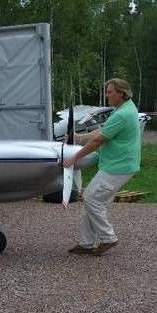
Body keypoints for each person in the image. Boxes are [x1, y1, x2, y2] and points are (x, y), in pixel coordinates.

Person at [63, 78, 141, 255]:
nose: (107, 95)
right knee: (94, 202)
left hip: (118, 167)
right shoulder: (125, 109)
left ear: (121, 93)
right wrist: (78, 137)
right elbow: (103, 131)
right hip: (121, 164)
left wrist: (74, 158)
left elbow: (98, 140)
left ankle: (108, 238)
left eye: (110, 92)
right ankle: (86, 243)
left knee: (91, 198)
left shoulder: (122, 114)